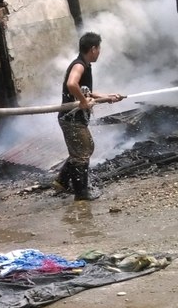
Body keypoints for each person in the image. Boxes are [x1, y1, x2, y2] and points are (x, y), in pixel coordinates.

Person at [54, 32, 126, 201]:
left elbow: (86, 91)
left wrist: (107, 97)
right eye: (99, 48)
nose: (99, 52)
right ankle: (81, 194)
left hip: (75, 119)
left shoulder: (85, 64)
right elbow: (72, 84)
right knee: (82, 154)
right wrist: (83, 102)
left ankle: (62, 181)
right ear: (93, 49)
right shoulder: (79, 65)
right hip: (71, 119)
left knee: (86, 148)